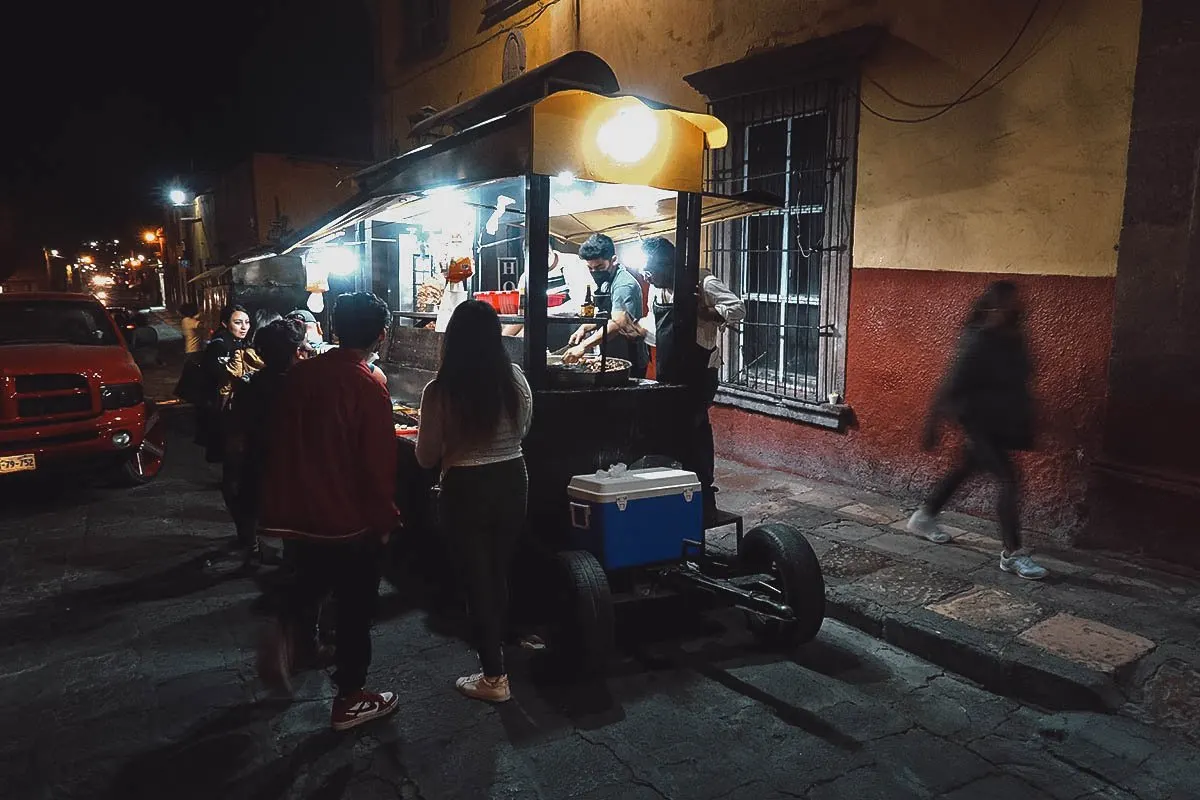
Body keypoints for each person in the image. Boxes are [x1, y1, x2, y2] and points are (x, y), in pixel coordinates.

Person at [257, 292, 400, 731]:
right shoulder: (368, 383)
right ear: (381, 334)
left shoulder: (302, 375)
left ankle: (294, 640)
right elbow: (377, 465)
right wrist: (386, 520)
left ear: (336, 330)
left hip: (298, 513)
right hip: (345, 517)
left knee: (311, 583)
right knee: (356, 610)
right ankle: (351, 699)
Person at [416, 300, 532, 704]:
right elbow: (523, 429)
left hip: (466, 485)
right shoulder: (515, 378)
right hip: (513, 479)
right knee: (498, 570)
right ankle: (502, 647)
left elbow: (425, 457)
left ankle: (494, 676)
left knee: (477, 578)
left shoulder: (440, 390)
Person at [907, 281, 1047, 580]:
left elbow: (1023, 376)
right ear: (990, 307)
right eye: (1005, 304)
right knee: (1009, 479)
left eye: (1014, 303)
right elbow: (949, 384)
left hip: (1002, 421)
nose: (1012, 308)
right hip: (977, 421)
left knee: (966, 468)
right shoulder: (978, 340)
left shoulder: (1014, 339)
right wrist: (932, 424)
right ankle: (1013, 553)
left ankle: (925, 516)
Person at [634, 237, 744, 521]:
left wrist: (706, 312)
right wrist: (636, 330)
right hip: (669, 371)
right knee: (670, 432)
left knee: (694, 431)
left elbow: (738, 308)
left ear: (669, 266)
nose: (647, 277)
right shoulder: (657, 291)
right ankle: (675, 489)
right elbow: (655, 324)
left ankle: (702, 492)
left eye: (651, 272)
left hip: (699, 374)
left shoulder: (704, 283)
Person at [226, 318, 307, 557]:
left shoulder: (249, 384)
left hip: (257, 457)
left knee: (251, 503)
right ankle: (293, 560)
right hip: (294, 460)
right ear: (296, 350)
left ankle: (251, 547)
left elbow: (237, 429)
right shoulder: (303, 384)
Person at [562, 233, 649, 379]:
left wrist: (583, 346)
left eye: (599, 267)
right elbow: (607, 315)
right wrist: (584, 327)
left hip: (629, 358)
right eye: (590, 268)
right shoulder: (607, 280)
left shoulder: (623, 284)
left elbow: (618, 323)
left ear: (613, 260)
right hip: (611, 353)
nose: (595, 272)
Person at [502, 244, 595, 351]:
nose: (535, 267)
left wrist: (542, 312)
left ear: (549, 254)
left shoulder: (572, 263)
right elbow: (521, 308)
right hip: (540, 327)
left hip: (570, 328)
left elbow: (580, 305)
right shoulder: (526, 276)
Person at [199, 304, 262, 464]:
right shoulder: (220, 345)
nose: (244, 327)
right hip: (221, 400)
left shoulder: (238, 341)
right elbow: (215, 373)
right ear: (225, 324)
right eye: (238, 322)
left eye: (247, 322)